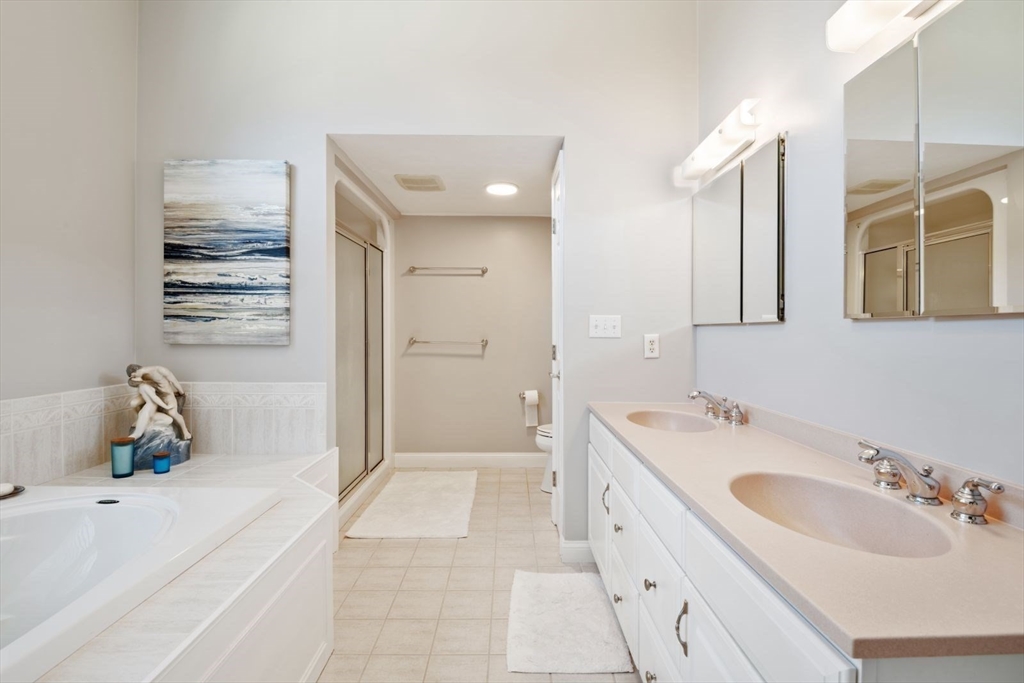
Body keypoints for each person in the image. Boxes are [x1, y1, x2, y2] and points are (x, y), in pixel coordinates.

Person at [126, 364, 192, 440]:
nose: (133, 377)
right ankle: (140, 419)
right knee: (133, 403)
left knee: (172, 413)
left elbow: (174, 381)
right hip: (152, 394)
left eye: (133, 376)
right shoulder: (140, 376)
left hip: (166, 394)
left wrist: (182, 393)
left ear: (134, 373)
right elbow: (136, 383)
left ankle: (185, 431)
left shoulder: (159, 370)